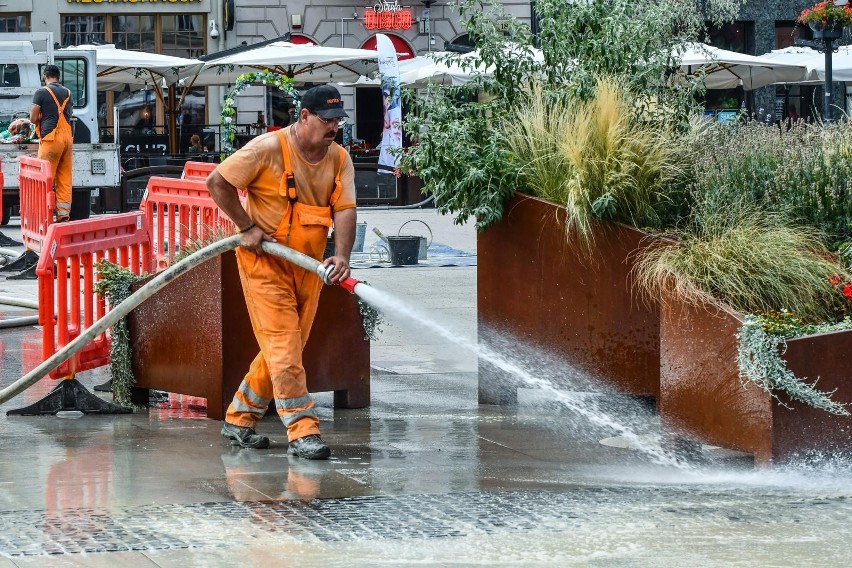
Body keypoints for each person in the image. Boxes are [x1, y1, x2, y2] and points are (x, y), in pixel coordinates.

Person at [207, 84, 356, 460]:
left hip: (310, 269)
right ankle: (303, 431)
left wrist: (341, 256)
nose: (334, 127)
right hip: (265, 265)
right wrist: (246, 227)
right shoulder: (268, 149)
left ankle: (239, 418)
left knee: (282, 349)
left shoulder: (338, 159)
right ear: (304, 116)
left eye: (338, 120)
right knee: (286, 349)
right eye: (327, 119)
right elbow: (217, 182)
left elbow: (345, 209)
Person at [30, 64, 74, 222]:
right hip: (67, 139)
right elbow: (69, 114)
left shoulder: (41, 92)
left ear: (44, 76)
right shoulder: (68, 92)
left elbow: (33, 119)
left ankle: (43, 215)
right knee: (64, 177)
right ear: (59, 77)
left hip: (51, 139)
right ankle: (63, 215)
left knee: (45, 178)